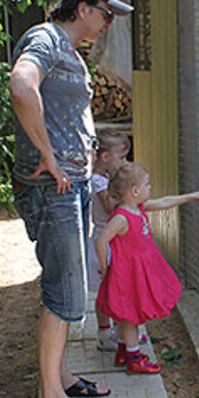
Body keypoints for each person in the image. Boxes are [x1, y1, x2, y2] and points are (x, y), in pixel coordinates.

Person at [10, 0, 133, 398]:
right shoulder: (44, 38)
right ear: (82, 7)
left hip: (71, 184)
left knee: (70, 287)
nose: (108, 24)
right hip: (53, 187)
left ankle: (61, 378)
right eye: (106, 14)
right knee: (63, 294)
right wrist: (49, 156)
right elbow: (22, 84)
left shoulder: (69, 50)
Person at [95, 162, 199, 374]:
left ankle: (123, 352)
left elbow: (164, 202)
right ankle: (134, 358)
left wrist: (188, 197)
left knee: (128, 314)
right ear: (135, 191)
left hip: (139, 272)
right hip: (127, 274)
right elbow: (101, 241)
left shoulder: (138, 208)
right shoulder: (121, 217)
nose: (150, 188)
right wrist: (105, 268)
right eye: (147, 185)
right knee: (131, 317)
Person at [88, 129, 130, 350]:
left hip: (113, 241)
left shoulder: (104, 179)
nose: (125, 162)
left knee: (116, 288)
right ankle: (105, 335)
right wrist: (128, 194)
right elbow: (110, 206)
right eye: (121, 158)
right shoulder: (98, 182)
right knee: (106, 290)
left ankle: (121, 333)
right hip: (104, 242)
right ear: (105, 158)